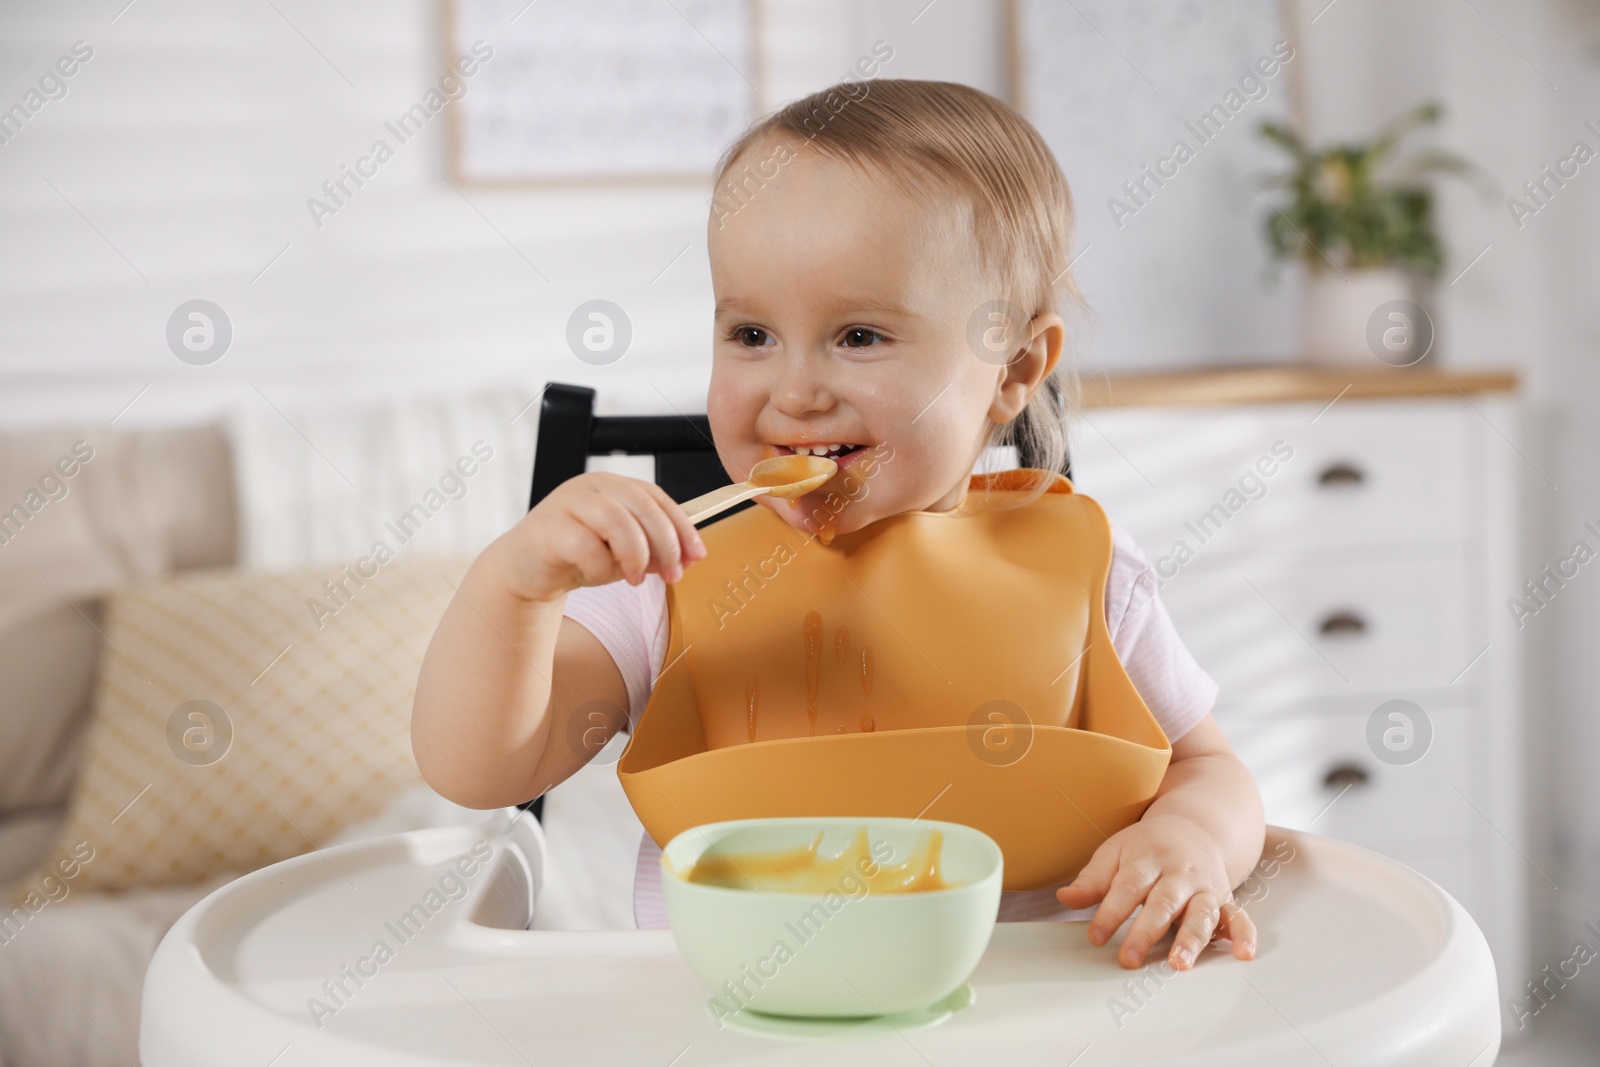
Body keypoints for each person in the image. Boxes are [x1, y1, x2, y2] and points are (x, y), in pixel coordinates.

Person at [413, 79, 1263, 972]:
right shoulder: (667, 582)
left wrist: (1191, 839)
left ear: (1015, 369)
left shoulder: (1091, 572)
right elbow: (483, 768)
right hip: (732, 1028)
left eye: (858, 336)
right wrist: (513, 588)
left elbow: (1210, 771)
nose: (796, 391)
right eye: (750, 334)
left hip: (1026, 1027)